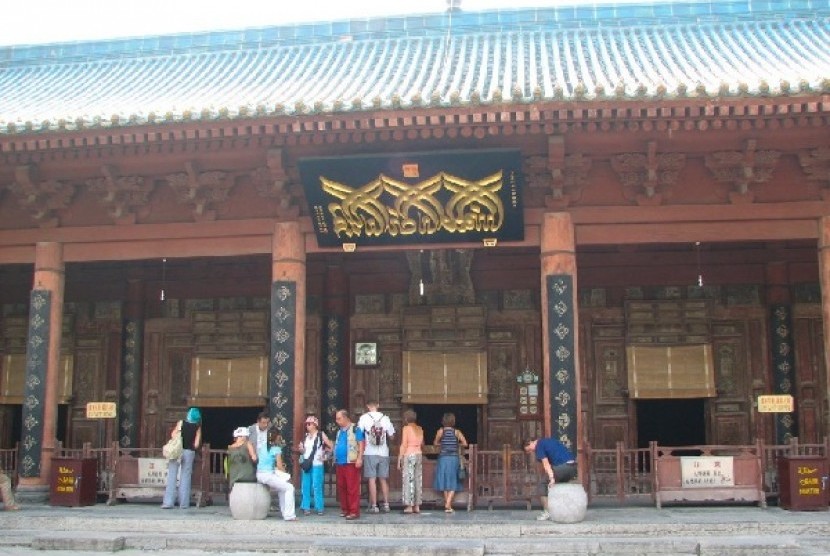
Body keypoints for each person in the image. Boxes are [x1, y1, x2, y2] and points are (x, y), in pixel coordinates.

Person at [523, 436, 577, 521]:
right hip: (573, 467)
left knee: (542, 484)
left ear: (531, 442)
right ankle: (562, 511)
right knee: (559, 485)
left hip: (563, 467)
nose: (531, 451)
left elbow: (546, 464)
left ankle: (547, 512)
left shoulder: (539, 445)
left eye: (529, 449)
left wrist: (551, 478)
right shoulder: (549, 441)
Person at [357, 401, 395, 513]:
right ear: (378, 406)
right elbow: (392, 436)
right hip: (383, 452)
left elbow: (359, 434)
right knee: (383, 479)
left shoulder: (363, 418)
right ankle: (386, 504)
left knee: (372, 479)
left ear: (368, 406)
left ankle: (374, 506)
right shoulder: (385, 418)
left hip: (369, 452)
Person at [162, 406, 202, 509]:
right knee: (186, 477)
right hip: (189, 452)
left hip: (177, 451)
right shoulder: (197, 427)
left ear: (188, 414)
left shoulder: (181, 423)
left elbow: (173, 435)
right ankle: (183, 504)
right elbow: (197, 444)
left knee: (172, 476)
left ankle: (168, 502)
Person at [256, 427, 297, 521]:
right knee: (290, 487)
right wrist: (287, 475)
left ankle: (284, 512)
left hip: (260, 474)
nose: (280, 438)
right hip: (268, 475)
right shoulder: (276, 449)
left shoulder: (262, 447)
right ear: (276, 437)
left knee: (282, 488)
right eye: (279, 436)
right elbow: (279, 466)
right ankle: (289, 515)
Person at [432, 412, 467, 513]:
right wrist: (456, 445)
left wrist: (441, 443)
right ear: (453, 421)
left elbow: (435, 443)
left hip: (443, 458)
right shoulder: (457, 432)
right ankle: (448, 504)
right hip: (453, 458)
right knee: (453, 480)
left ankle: (447, 504)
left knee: (444, 480)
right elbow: (465, 443)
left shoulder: (440, 431)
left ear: (443, 421)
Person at [296, 415, 332, 516]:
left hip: (317, 463)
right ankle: (305, 507)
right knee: (305, 486)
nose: (307, 426)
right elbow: (303, 451)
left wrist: (326, 457)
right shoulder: (306, 437)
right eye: (306, 424)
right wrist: (301, 450)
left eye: (309, 424)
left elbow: (330, 446)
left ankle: (319, 507)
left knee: (316, 486)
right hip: (307, 464)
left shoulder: (321, 435)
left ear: (315, 425)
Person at [333, 409, 364, 520]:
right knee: (342, 487)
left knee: (352, 487)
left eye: (339, 418)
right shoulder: (340, 431)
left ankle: (353, 511)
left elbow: (361, 444)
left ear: (346, 418)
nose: (337, 421)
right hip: (340, 462)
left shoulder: (356, 429)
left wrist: (360, 458)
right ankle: (345, 509)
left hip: (351, 462)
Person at [397, 409, 424, 515]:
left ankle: (409, 506)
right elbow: (422, 443)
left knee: (408, 480)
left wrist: (400, 458)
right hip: (418, 454)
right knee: (418, 479)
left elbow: (404, 444)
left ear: (406, 419)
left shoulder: (406, 428)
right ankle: (417, 505)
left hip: (409, 454)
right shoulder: (420, 429)